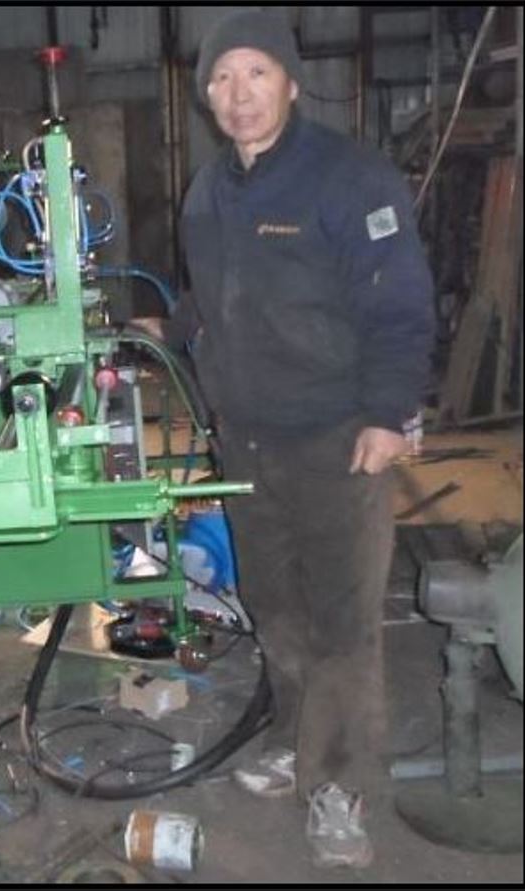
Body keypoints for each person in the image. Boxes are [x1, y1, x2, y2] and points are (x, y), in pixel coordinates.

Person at [133, 8, 434, 869]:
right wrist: (170, 325)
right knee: (276, 605)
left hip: (338, 436)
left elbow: (401, 306)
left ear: (291, 83)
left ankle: (338, 783)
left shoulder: (350, 178)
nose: (239, 94)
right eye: (223, 79)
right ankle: (293, 738)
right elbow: (217, 296)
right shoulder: (208, 191)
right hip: (248, 440)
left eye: (256, 73)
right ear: (207, 95)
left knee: (343, 618)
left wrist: (386, 414)